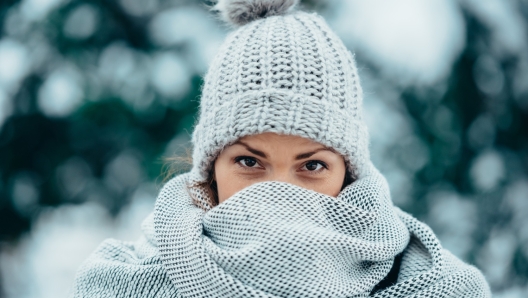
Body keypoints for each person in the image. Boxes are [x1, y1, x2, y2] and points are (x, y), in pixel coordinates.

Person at [72, 0, 491, 297]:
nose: (279, 191)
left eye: (311, 166)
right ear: (210, 167)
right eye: (250, 161)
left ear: (349, 172)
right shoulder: (125, 285)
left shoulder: (437, 287)